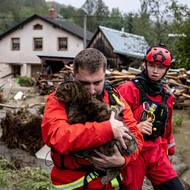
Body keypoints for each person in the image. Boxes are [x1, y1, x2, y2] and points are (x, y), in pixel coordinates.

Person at [41, 48, 143, 190]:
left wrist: (123, 161)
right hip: (73, 184)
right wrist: (107, 129)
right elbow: (57, 136)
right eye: (84, 83)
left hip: (110, 184)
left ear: (104, 75)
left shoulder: (115, 99)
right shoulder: (59, 99)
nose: (91, 90)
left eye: (97, 82)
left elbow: (137, 137)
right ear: (75, 75)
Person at [118, 44, 184, 190]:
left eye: (160, 68)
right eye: (152, 65)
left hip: (156, 150)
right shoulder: (128, 89)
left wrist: (170, 151)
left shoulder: (166, 95)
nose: (155, 71)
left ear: (167, 70)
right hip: (133, 151)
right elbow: (112, 122)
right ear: (145, 64)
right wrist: (135, 128)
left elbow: (167, 126)